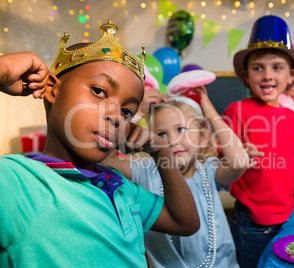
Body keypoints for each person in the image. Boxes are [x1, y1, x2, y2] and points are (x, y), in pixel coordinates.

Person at [0, 20, 200, 267]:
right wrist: (3, 68)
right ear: (52, 88)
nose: (117, 116)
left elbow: (186, 222)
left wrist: (161, 151)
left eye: (128, 111)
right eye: (99, 91)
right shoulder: (17, 182)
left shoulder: (120, 187)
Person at [103, 81, 263, 267]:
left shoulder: (209, 170)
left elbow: (239, 161)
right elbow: (104, 158)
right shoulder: (142, 171)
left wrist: (210, 113)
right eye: (161, 134)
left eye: (181, 129)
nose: (172, 140)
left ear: (203, 137)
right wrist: (137, 114)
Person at [222, 15, 294, 268]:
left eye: (276, 67)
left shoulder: (292, 117)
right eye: (258, 68)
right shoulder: (237, 110)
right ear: (247, 76)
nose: (267, 75)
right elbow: (216, 158)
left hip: (287, 214)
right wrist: (237, 154)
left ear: (291, 76)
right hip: (252, 220)